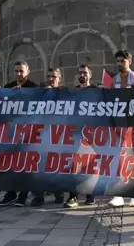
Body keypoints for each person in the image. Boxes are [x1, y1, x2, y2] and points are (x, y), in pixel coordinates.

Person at [0, 61, 39, 207]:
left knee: (26, 164)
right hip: (12, 131)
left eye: (21, 71)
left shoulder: (34, 87)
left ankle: (23, 195)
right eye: (16, 71)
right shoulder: (9, 87)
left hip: (28, 131)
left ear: (28, 72)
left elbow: (40, 106)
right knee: (10, 163)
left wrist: (24, 95)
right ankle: (10, 193)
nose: (19, 74)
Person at [108, 50, 134, 208]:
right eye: (117, 61)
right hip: (119, 124)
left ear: (129, 61)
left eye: (122, 61)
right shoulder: (114, 80)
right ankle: (119, 194)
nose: (119, 64)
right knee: (119, 157)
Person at [64, 64, 97, 208]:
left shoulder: (97, 91)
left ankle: (90, 195)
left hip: (92, 133)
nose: (82, 75)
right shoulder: (72, 92)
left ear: (90, 75)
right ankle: (73, 196)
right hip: (76, 133)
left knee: (91, 164)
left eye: (84, 72)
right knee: (74, 164)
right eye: (79, 73)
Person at [31, 68, 65, 207]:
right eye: (49, 76)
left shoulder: (64, 93)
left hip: (58, 136)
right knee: (38, 165)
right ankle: (38, 196)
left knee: (56, 165)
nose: (51, 79)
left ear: (59, 79)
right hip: (41, 135)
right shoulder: (40, 92)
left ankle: (59, 193)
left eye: (54, 76)